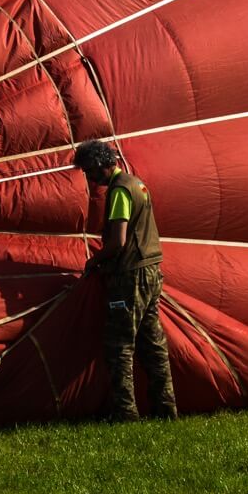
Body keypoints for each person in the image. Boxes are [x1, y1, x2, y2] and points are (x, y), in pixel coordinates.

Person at [73, 138, 178, 422]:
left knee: (119, 345)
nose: (89, 179)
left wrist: (96, 259)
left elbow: (118, 241)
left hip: (131, 275)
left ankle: (125, 413)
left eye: (88, 171)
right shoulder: (137, 184)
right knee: (153, 342)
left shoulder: (120, 192)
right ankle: (166, 409)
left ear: (98, 165)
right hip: (152, 271)